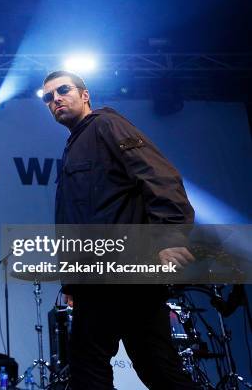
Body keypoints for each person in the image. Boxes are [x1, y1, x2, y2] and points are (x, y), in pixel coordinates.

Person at [42, 70, 199, 389]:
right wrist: (73, 282)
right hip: (104, 273)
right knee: (156, 363)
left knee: (88, 361)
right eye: (48, 97)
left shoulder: (106, 125)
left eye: (63, 90)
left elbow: (159, 176)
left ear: (85, 95)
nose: (55, 98)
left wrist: (171, 237)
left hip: (118, 267)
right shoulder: (76, 144)